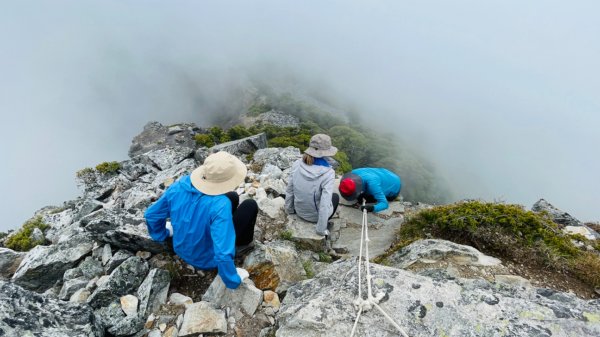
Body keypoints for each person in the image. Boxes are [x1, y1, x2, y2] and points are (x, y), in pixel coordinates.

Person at [144, 151, 257, 289]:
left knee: (232, 196)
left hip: (180, 248)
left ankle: (222, 228)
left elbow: (151, 214)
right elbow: (222, 253)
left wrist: (162, 234)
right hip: (207, 260)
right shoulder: (220, 205)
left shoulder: (179, 186)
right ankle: (243, 242)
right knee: (250, 205)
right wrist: (233, 278)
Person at [285, 134, 340, 236]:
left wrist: (289, 210)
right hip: (315, 218)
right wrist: (321, 229)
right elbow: (324, 203)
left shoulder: (297, 163)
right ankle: (325, 223)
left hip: (299, 211)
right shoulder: (328, 173)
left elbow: (290, 189)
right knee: (335, 197)